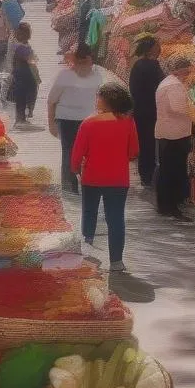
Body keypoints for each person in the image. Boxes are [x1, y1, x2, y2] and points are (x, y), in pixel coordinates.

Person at [70, 83, 150, 299]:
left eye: (98, 97)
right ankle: (116, 261)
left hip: (92, 177)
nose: (96, 100)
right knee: (116, 219)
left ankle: (87, 253)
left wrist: (75, 168)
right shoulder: (128, 123)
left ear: (106, 100)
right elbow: (133, 151)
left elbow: (77, 153)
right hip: (117, 178)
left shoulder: (88, 123)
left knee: (89, 213)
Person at [48, 44, 106, 194]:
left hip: (89, 121)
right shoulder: (64, 75)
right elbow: (51, 100)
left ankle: (88, 184)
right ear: (76, 60)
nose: (84, 65)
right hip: (66, 120)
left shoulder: (97, 76)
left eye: (87, 62)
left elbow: (100, 101)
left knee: (88, 154)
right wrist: (51, 124)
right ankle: (69, 187)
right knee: (69, 152)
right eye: (81, 61)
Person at [155, 56, 195, 223]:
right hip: (174, 134)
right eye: (187, 70)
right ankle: (170, 206)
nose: (188, 73)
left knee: (168, 169)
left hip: (169, 132)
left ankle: (168, 204)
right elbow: (178, 108)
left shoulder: (168, 83)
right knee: (172, 170)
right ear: (180, 70)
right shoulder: (174, 85)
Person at [128, 36, 165, 190]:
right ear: (151, 49)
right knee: (150, 143)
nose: (160, 49)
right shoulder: (153, 66)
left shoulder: (137, 65)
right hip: (152, 110)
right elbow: (161, 86)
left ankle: (145, 175)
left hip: (139, 109)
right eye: (157, 46)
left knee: (144, 142)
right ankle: (149, 175)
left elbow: (132, 89)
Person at [10, 22, 41, 130]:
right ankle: (20, 120)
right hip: (24, 74)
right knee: (23, 96)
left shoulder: (21, 44)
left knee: (23, 96)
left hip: (23, 74)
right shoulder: (20, 47)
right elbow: (31, 59)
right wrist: (33, 58)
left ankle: (22, 118)